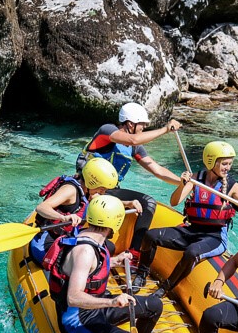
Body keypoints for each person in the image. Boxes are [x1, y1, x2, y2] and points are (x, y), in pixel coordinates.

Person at [132, 141, 238, 298]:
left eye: (230, 163)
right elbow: (174, 202)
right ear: (211, 161)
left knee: (192, 252)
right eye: (224, 163)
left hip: (214, 237)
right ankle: (142, 274)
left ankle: (165, 288)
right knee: (151, 236)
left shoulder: (232, 186)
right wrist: (182, 184)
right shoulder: (197, 178)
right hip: (192, 230)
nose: (228, 168)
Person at [49, 194, 166, 333]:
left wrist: (115, 260)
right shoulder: (85, 252)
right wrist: (112, 301)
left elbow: (91, 271)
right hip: (80, 319)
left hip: (96, 306)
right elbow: (73, 297)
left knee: (154, 305)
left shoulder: (94, 236)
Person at [76, 102, 183, 265]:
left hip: (109, 192)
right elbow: (133, 139)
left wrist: (182, 181)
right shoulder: (107, 131)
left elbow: (157, 170)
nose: (143, 128)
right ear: (130, 124)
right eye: (142, 125)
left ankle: (133, 253)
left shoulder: (134, 148)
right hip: (88, 188)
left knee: (148, 202)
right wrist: (165, 129)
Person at [30, 157, 141, 266]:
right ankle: (110, 263)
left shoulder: (87, 189)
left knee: (108, 246)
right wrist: (63, 217)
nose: (103, 192)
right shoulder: (70, 190)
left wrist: (128, 203)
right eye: (102, 188)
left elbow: (102, 201)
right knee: (82, 257)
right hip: (46, 241)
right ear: (92, 182)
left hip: (64, 236)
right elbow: (41, 208)